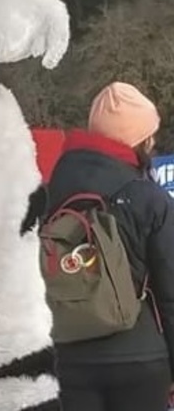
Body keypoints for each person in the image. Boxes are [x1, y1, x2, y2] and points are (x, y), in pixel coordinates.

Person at [46, 81, 174, 411]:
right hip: (141, 358)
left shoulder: (53, 191)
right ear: (138, 140)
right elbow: (170, 290)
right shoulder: (149, 198)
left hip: (69, 359)